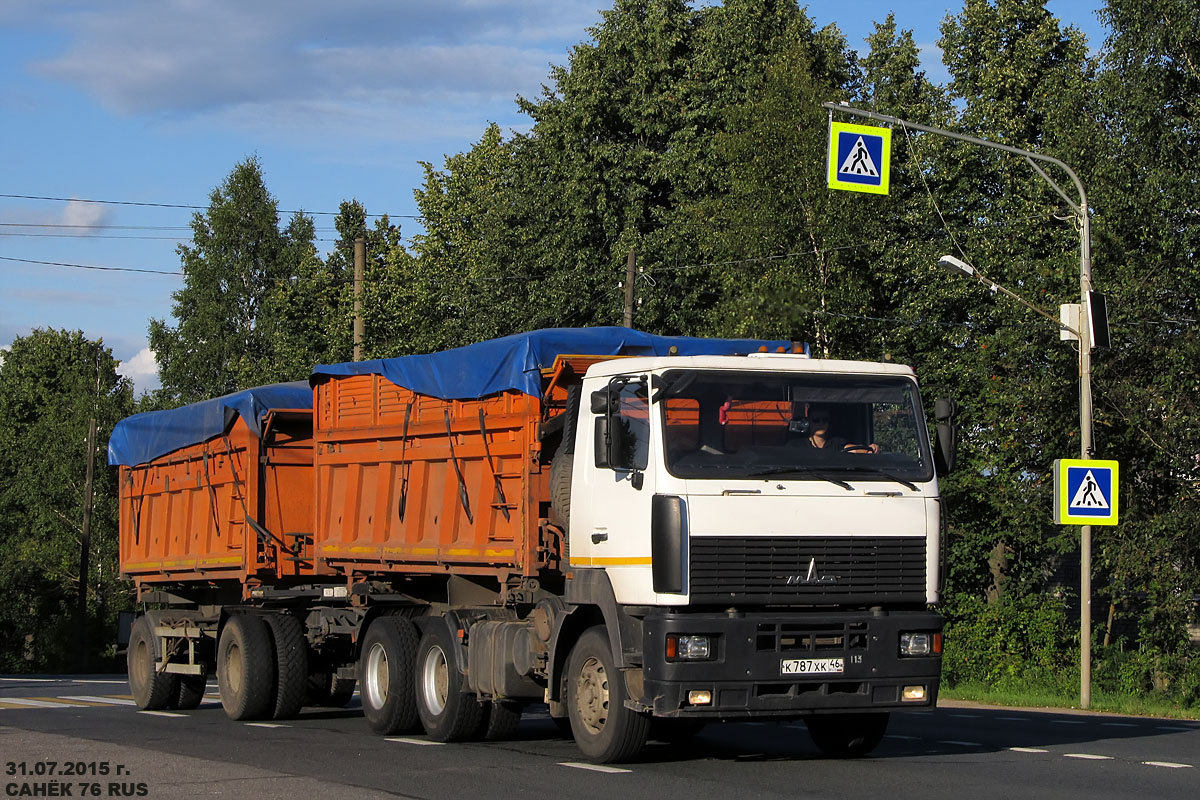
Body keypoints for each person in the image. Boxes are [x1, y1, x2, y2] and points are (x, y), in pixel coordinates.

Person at [797, 404, 879, 454]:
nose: (821, 423)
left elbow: (855, 450)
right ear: (808, 421)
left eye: (825, 420)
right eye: (816, 420)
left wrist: (870, 448)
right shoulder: (796, 445)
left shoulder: (836, 443)